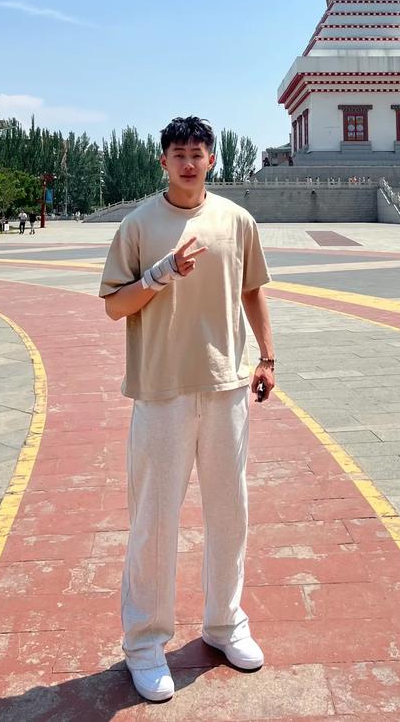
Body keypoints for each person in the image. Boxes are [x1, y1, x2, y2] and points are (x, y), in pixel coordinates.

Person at [99, 116, 275, 704]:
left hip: (225, 386)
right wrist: (160, 274)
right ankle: (145, 643)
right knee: (155, 520)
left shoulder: (236, 220)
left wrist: (268, 356)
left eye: (199, 153)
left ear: (213, 159)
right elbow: (114, 307)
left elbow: (252, 289)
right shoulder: (138, 225)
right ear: (163, 162)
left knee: (231, 512)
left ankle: (225, 623)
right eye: (179, 153)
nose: (189, 163)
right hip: (162, 391)